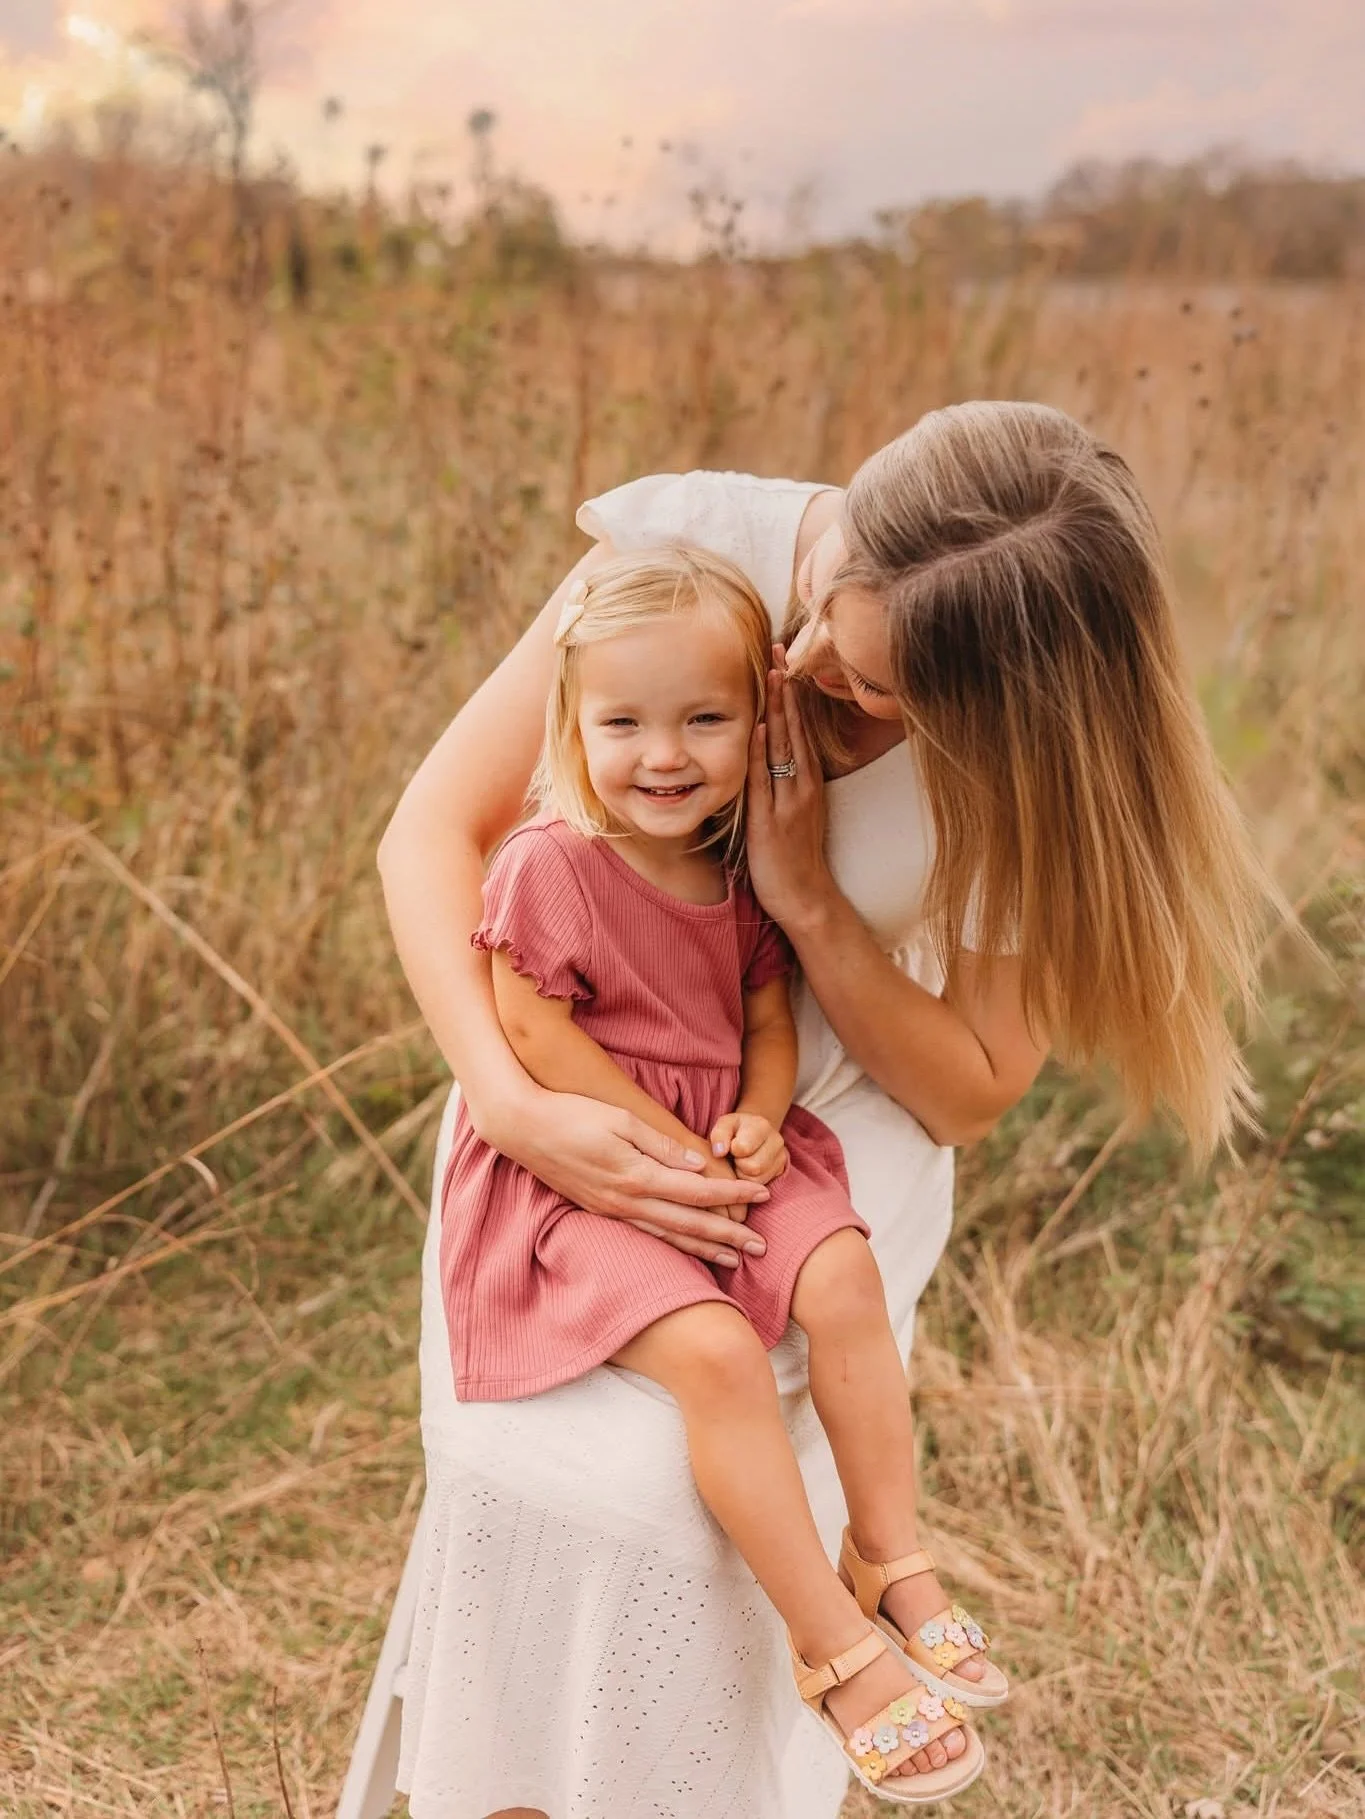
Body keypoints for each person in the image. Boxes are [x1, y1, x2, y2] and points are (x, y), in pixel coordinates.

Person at [381, 403, 1264, 1819]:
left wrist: (802, 904)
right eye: (819, 614)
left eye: (863, 686)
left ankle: (796, 1689)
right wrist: (510, 1097)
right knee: (565, 1484)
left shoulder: (1014, 757)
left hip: (822, 1129)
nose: (792, 669)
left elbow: (972, 1085)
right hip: (559, 1102)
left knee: (685, 1515)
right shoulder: (686, 554)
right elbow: (430, 830)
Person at [442, 544, 1006, 1804]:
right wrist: (651, 1134)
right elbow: (531, 1033)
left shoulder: (735, 865)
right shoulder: (550, 863)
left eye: (703, 719)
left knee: (847, 1278)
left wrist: (755, 1118)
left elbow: (766, 1023)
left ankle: (891, 1555)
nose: (663, 754)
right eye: (623, 722)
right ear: (570, 725)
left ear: (760, 718)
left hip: (729, 1144)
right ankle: (832, 1646)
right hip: (586, 1160)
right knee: (716, 1356)